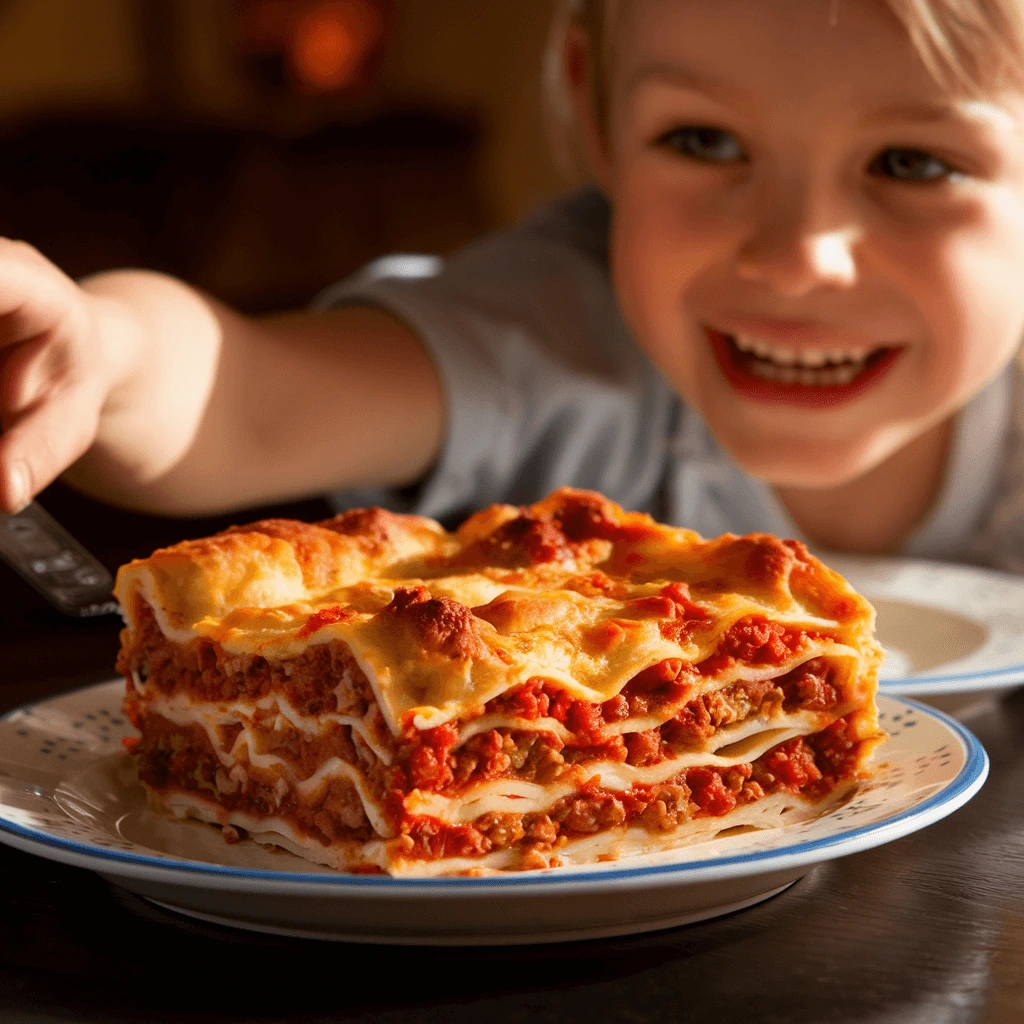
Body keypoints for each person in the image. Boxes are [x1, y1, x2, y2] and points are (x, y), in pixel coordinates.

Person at [1, 0, 1022, 573]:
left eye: (911, 163)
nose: (798, 256)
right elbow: (250, 399)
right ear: (595, 110)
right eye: (702, 141)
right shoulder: (558, 332)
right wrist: (102, 347)